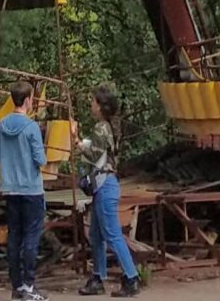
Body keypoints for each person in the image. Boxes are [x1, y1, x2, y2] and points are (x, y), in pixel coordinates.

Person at [76, 87, 140, 296]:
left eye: (93, 102)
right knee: (96, 235)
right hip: (104, 185)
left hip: (104, 185)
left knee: (112, 235)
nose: (91, 105)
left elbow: (94, 155)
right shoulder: (107, 128)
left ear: (101, 106)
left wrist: (78, 144)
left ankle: (131, 277)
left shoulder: (100, 128)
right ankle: (97, 277)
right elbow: (100, 152)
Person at [0, 81, 47, 301]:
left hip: (9, 189)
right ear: (27, 100)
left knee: (14, 237)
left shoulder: (1, 126)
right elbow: (40, 159)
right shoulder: (32, 127)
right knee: (32, 237)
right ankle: (29, 285)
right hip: (32, 190)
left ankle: (16, 286)